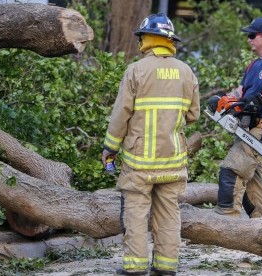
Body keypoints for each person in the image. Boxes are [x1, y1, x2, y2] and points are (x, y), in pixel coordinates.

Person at [102, 13, 200, 276]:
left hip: (139, 163)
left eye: (142, 36)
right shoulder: (186, 72)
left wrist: (110, 148)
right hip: (173, 161)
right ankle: (166, 267)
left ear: (148, 39)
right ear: (169, 41)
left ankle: (135, 268)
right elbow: (193, 115)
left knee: (135, 214)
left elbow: (120, 115)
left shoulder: (136, 70)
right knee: (169, 214)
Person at [209, 18, 262, 218]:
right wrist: (225, 100)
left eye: (252, 35)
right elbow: (240, 92)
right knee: (251, 178)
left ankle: (226, 221)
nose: (249, 39)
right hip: (246, 128)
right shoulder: (252, 66)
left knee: (231, 170)